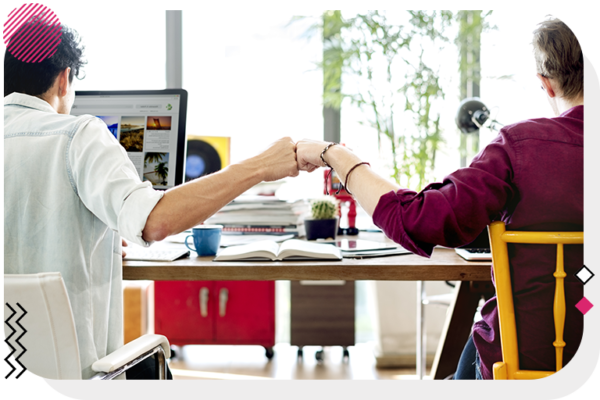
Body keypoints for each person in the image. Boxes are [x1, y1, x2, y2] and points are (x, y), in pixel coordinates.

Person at [3, 22, 299, 379]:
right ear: (64, 79)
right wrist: (261, 165)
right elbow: (155, 221)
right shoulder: (78, 136)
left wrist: (98, 242)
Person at [295, 17, 583, 380]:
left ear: (546, 85)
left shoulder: (522, 147)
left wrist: (335, 155)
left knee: (474, 348)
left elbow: (415, 220)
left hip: (531, 362)